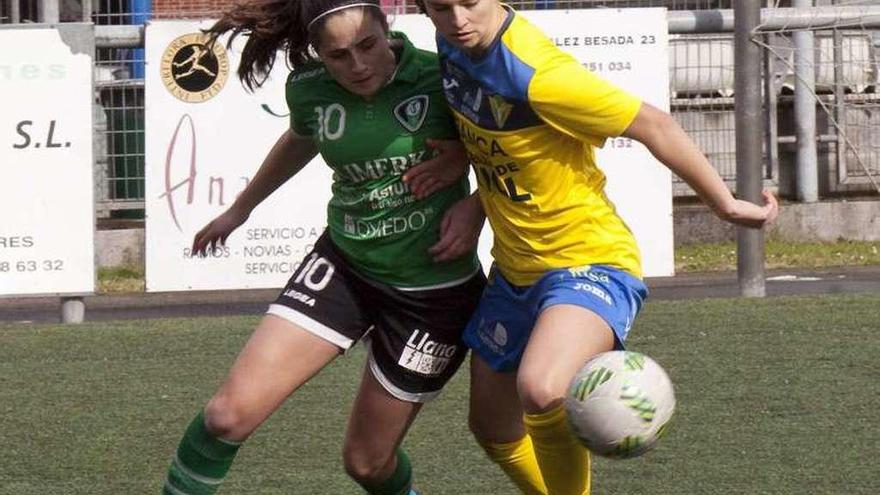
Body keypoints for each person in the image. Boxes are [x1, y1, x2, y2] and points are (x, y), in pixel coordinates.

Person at [413, 1, 781, 494]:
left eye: (469, 3)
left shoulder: (538, 73)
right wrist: (479, 202)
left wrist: (725, 204)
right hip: (514, 271)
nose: (457, 18)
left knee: (542, 389)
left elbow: (654, 124)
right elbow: (511, 149)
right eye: (440, 7)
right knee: (494, 430)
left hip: (589, 260)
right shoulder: (453, 45)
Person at [160, 1, 487, 493]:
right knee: (226, 417)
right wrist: (240, 209)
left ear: (387, 29)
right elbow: (300, 138)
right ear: (317, 54)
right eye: (338, 55)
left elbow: (524, 147)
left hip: (433, 295)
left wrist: (476, 203)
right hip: (344, 268)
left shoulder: (443, 77)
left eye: (367, 46)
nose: (357, 65)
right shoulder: (309, 88)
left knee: (367, 465)